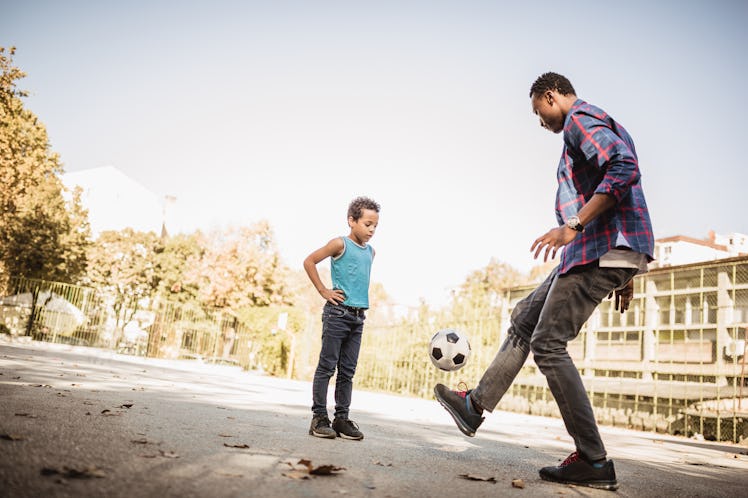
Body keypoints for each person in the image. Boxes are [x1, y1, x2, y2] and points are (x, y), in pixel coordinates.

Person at [434, 72, 654, 491]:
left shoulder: (580, 120)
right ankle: (474, 406)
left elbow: (623, 168)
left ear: (551, 96)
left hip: (598, 245)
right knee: (524, 317)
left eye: (539, 112)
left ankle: (593, 460)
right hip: (600, 247)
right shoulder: (594, 122)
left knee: (548, 344)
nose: (541, 122)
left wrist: (574, 224)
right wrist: (627, 270)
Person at [303, 196, 380, 440]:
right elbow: (309, 261)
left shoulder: (371, 252)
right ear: (352, 220)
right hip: (338, 313)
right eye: (367, 224)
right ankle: (319, 417)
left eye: (375, 225)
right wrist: (324, 291)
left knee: (347, 371)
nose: (371, 230)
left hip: (358, 317)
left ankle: (341, 419)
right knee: (327, 367)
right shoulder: (339, 244)